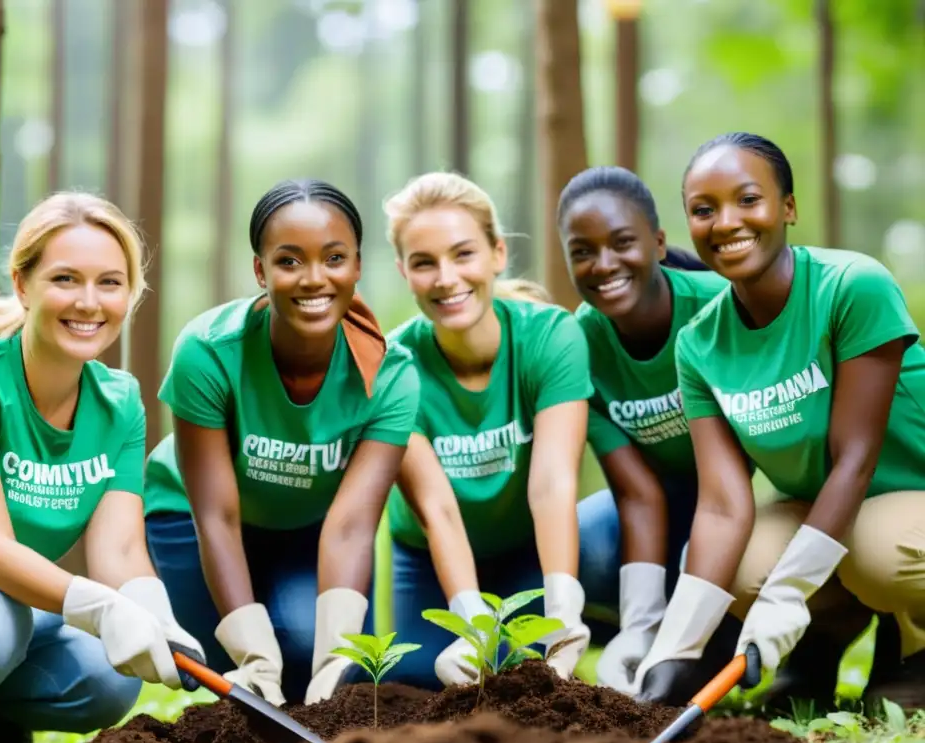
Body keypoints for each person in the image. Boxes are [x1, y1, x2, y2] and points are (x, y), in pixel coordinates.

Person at [0, 192, 204, 743]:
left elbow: (117, 546)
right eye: (66, 278)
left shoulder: (119, 402)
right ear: (22, 284)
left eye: (111, 283)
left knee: (106, 675)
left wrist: (148, 609)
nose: (89, 302)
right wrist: (102, 607)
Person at [632, 132, 925, 712]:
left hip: (904, 498)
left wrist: (787, 591)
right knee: (734, 565)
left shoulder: (852, 286)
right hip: (829, 510)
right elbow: (721, 504)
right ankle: (820, 647)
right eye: (704, 209)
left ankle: (912, 642)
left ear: (787, 208)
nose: (726, 222)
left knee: (878, 552)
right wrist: (673, 650)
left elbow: (855, 457)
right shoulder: (699, 344)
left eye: (748, 199)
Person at [142, 179, 420, 707]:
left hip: (311, 527)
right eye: (289, 261)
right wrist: (251, 653)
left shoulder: (391, 375)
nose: (314, 279)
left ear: (358, 265)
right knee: (227, 668)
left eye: (334, 258)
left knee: (322, 658)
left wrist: (338, 653)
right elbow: (216, 514)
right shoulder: (208, 351)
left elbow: (354, 524)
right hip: (193, 518)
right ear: (260, 270)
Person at [381, 171, 600, 691]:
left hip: (524, 543)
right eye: (424, 263)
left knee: (519, 674)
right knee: (419, 682)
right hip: (429, 557)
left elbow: (552, 484)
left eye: (463, 254)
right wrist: (469, 620)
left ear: (497, 253)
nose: (446, 278)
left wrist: (562, 606)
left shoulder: (550, 335)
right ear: (403, 272)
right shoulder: (392, 366)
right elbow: (437, 509)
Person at [556, 166, 740, 696]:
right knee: (581, 543)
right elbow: (636, 493)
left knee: (718, 568)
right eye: (583, 251)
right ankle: (633, 639)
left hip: (735, 503)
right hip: (655, 505)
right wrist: (641, 626)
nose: (604, 264)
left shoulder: (720, 306)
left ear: (658, 243)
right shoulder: (578, 347)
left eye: (622, 243)